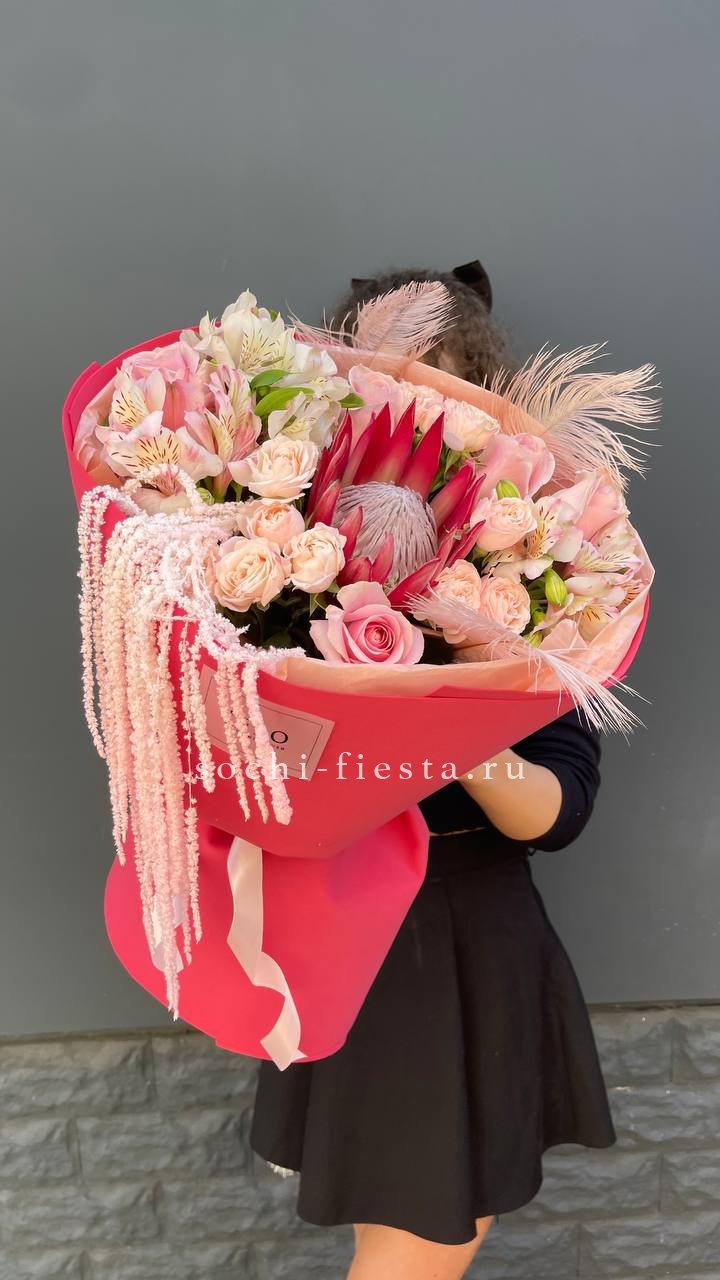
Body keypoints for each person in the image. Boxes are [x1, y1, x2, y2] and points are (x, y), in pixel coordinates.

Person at [249, 263, 616, 1280]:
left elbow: (558, 808)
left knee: (455, 1223)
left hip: (482, 929)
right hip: (379, 941)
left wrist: (454, 715)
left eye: (447, 391)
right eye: (391, 382)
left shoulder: (537, 570)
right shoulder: (279, 562)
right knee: (422, 1237)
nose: (417, 413)